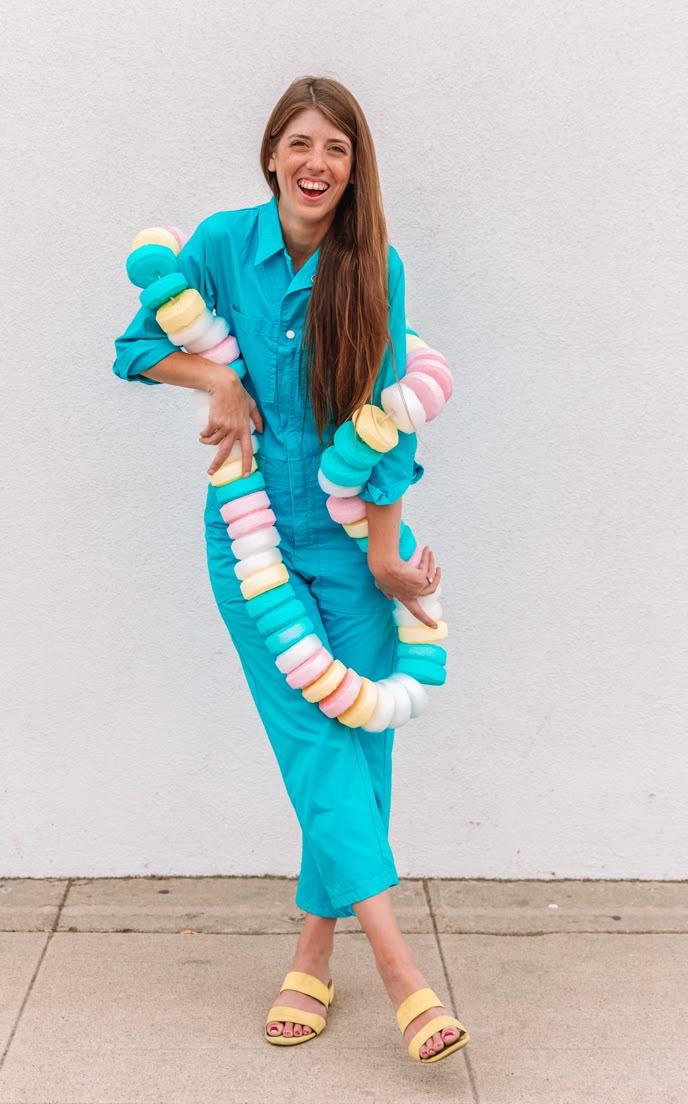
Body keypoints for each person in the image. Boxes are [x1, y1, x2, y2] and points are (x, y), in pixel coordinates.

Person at [113, 75, 468, 1064]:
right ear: (271, 153)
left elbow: (386, 421)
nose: (318, 163)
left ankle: (312, 956)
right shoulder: (224, 246)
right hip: (250, 544)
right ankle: (403, 976)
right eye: (301, 144)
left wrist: (392, 553)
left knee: (357, 749)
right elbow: (134, 346)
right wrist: (216, 376)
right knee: (314, 738)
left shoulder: (375, 266)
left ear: (355, 171)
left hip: (349, 548)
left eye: (338, 149)